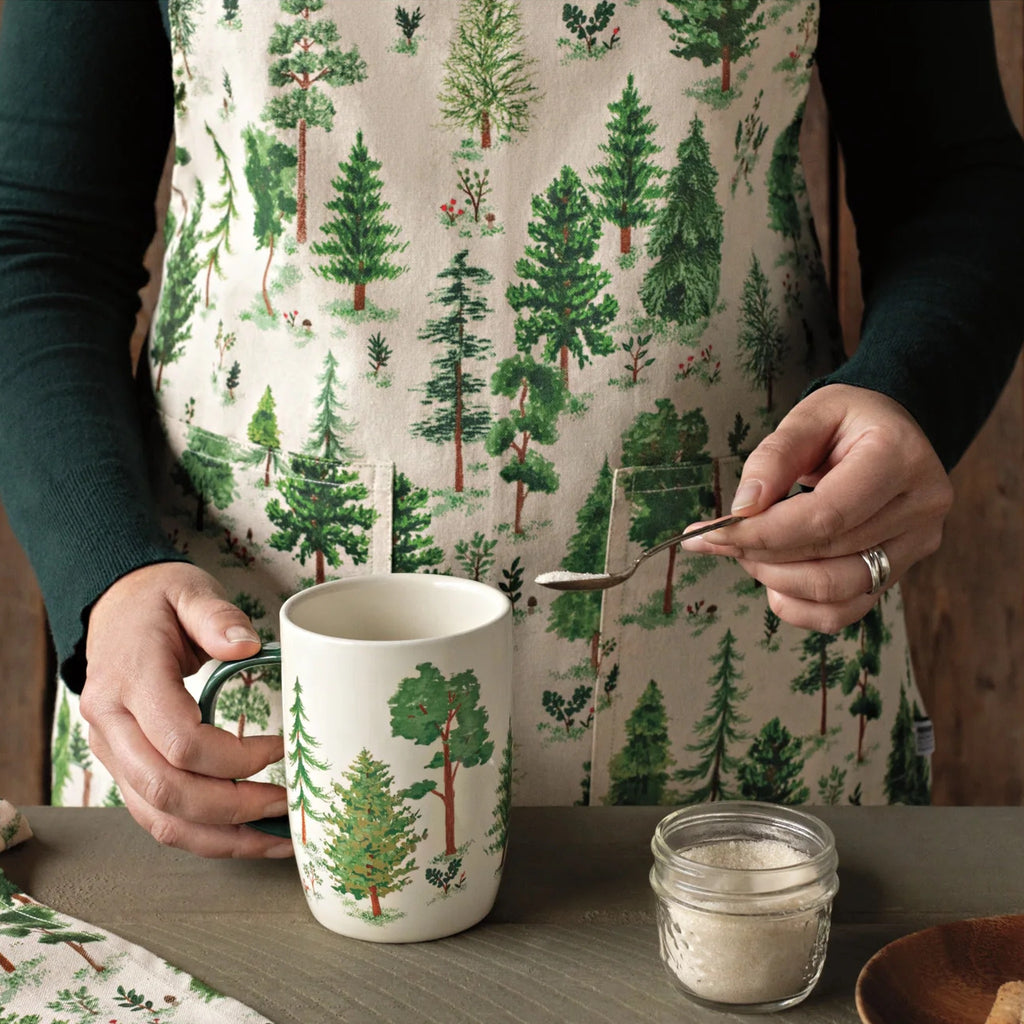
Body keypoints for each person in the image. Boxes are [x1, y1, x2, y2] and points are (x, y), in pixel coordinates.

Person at [0, 0, 1022, 859]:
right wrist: (104, 572)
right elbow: (32, 230)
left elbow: (956, 175)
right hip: (230, 715)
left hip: (742, 725)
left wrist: (907, 395)